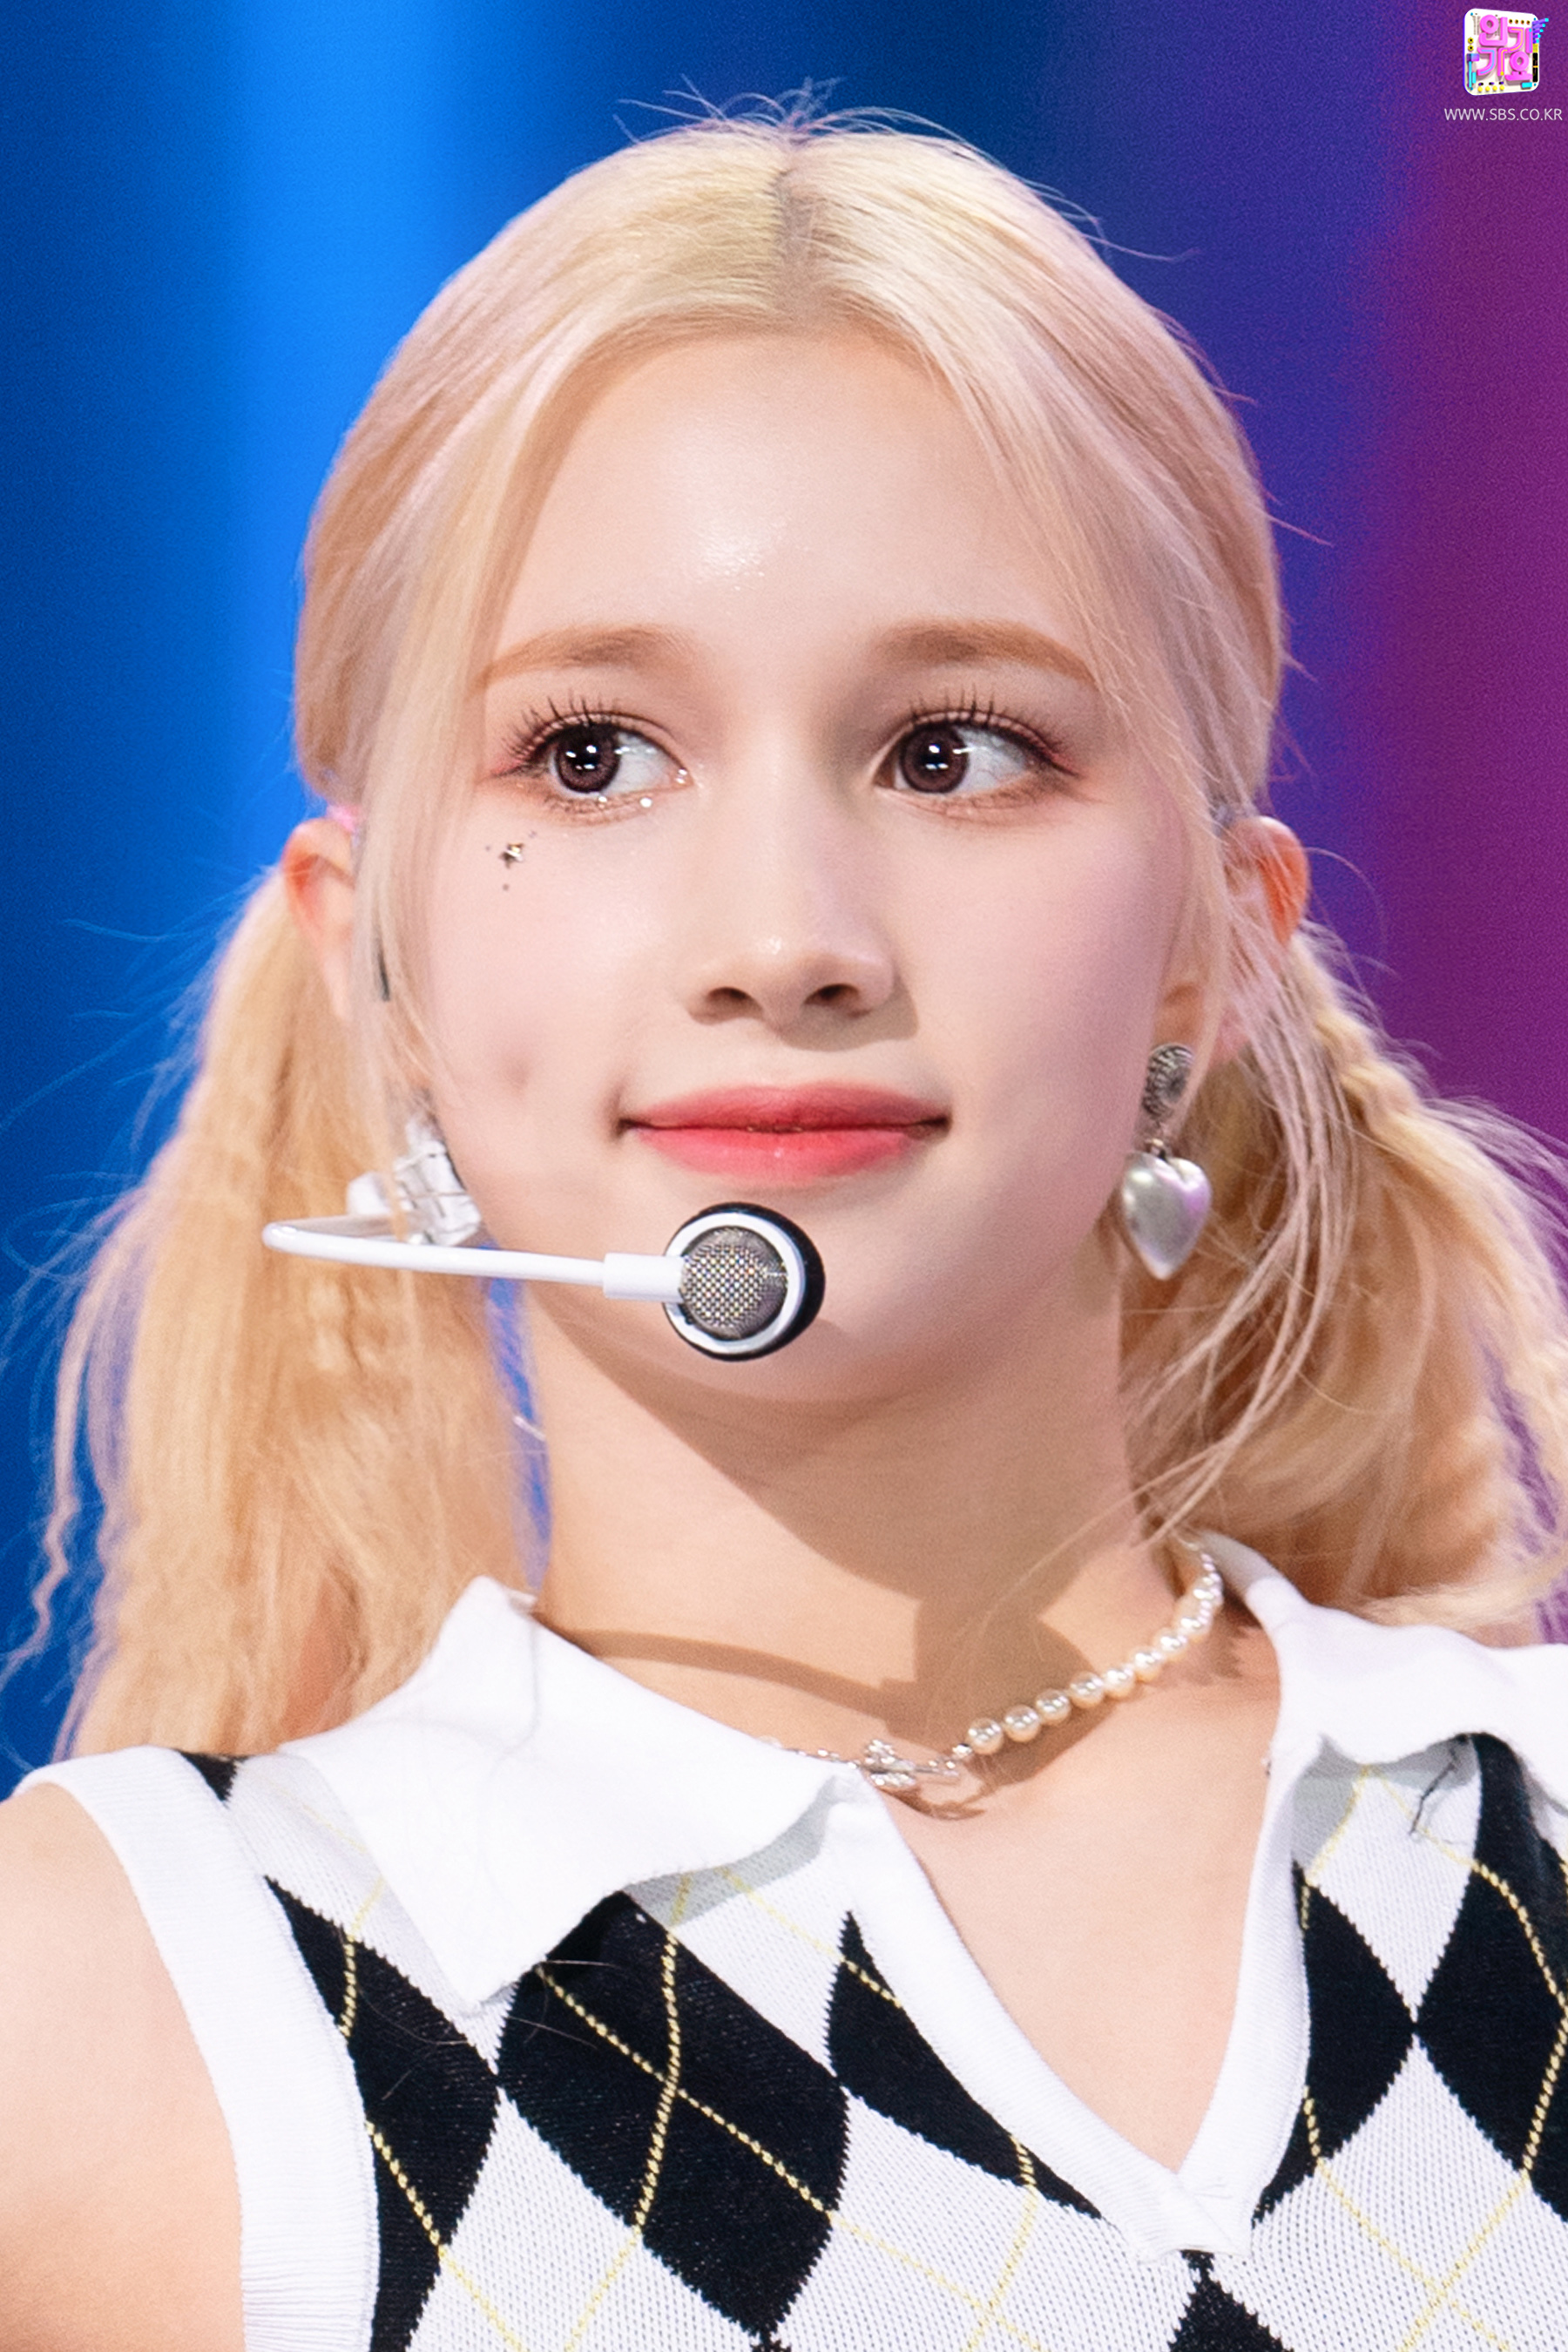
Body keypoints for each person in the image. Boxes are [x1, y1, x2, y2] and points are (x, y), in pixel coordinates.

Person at [3, 115, 1567, 2352]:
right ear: (378, 958)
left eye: (955, 751)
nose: (783, 940)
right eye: (593, 758)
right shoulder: (101, 2017)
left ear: (1214, 946)